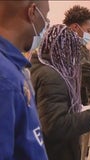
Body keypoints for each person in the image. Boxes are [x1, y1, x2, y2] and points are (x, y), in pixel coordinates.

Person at [30, 24, 90, 160]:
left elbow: (53, 109)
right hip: (56, 152)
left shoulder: (41, 67)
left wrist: (85, 110)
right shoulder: (52, 76)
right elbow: (56, 125)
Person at [0, 1, 49, 159]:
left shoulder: (12, 66)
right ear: (32, 12)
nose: (45, 26)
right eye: (46, 17)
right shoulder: (6, 80)